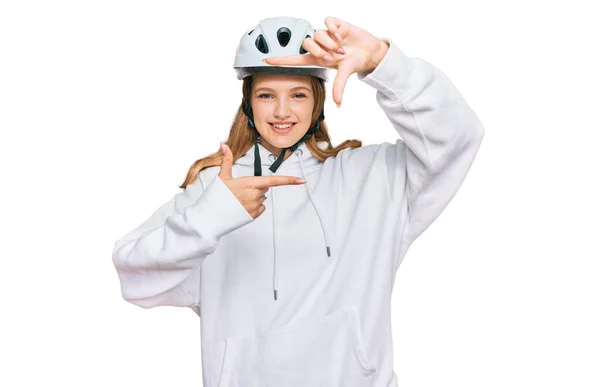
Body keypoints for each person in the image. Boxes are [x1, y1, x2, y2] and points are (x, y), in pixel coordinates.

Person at [112, 15, 485, 387]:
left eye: (298, 95)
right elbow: (134, 275)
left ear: (317, 100)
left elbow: (458, 137)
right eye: (266, 95)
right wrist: (214, 215)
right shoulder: (219, 190)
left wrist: (383, 64)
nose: (281, 112)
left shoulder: (371, 179)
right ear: (248, 104)